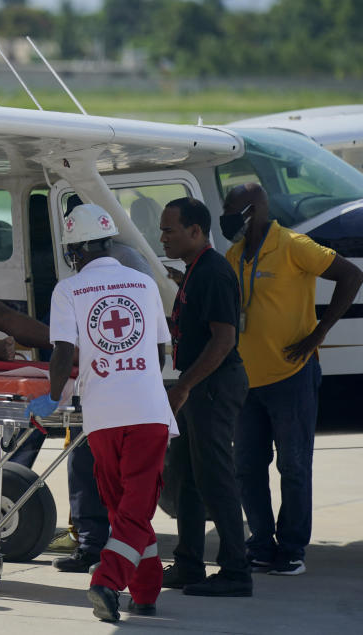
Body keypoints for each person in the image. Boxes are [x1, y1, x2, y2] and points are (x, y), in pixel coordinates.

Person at [25, 203, 175, 623]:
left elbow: (64, 354)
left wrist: (51, 401)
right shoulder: (144, 285)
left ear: (74, 251)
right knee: (135, 508)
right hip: (147, 411)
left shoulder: (68, 290)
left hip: (102, 417)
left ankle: (141, 592)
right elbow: (161, 353)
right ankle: (109, 583)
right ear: (109, 242)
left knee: (123, 508)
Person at [222, 183, 363, 576]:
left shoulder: (294, 245)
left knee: (294, 466)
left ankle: (293, 548)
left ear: (254, 209)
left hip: (291, 376)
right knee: (247, 467)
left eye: (233, 210)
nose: (228, 218)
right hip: (246, 382)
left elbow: (351, 276)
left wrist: (320, 332)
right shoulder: (234, 255)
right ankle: (261, 545)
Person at [159, 197, 252, 597]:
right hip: (200, 386)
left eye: (169, 230)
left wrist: (184, 386)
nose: (162, 238)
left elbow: (224, 340)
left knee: (216, 479)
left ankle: (236, 571)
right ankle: (189, 564)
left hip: (212, 385)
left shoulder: (212, 272)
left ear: (195, 231)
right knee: (187, 479)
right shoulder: (195, 271)